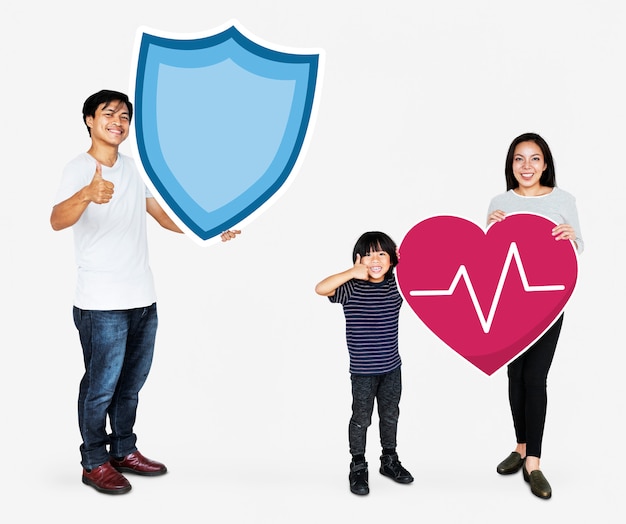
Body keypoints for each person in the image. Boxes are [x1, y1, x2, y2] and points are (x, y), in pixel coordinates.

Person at [50, 89, 240, 495]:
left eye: (124, 116)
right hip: (101, 304)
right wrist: (86, 194)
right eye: (109, 113)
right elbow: (56, 220)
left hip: (142, 298)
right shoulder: (78, 168)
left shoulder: (134, 168)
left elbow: (160, 215)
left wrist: (208, 230)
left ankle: (122, 450)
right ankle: (94, 462)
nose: (118, 121)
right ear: (89, 119)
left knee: (131, 384)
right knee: (100, 386)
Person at [487, 132, 583, 500]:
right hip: (508, 303)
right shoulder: (499, 201)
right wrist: (491, 228)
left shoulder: (563, 199)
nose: (527, 166)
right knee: (514, 374)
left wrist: (571, 236)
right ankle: (521, 446)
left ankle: (535, 464)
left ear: (546, 164)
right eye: (519, 159)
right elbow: (491, 261)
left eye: (535, 158)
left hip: (547, 302)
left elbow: (577, 250)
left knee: (535, 376)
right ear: (511, 165)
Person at [315, 231, 413, 496]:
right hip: (362, 372)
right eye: (368, 254)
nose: (375, 259)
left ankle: (389, 460)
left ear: (392, 259)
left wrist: (408, 256)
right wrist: (351, 272)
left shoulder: (398, 286)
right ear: (358, 259)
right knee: (361, 419)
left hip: (392, 368)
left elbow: (427, 271)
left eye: (382, 253)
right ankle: (358, 465)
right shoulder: (350, 289)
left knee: (390, 414)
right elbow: (321, 288)